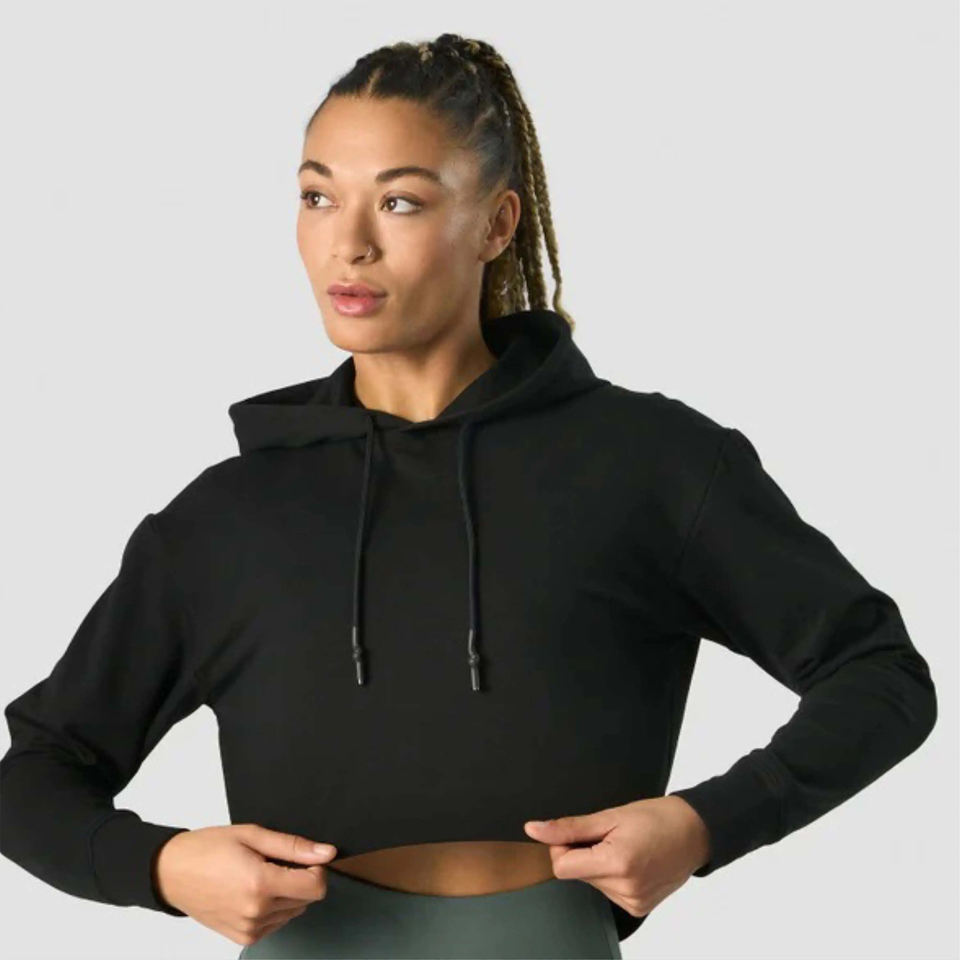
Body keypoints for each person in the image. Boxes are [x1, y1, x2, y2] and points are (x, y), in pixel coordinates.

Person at [0, 31, 938, 960]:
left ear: (496, 224)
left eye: (399, 201)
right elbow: (33, 777)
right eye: (318, 196)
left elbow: (879, 676)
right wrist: (163, 867)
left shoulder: (651, 465)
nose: (348, 244)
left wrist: (704, 825)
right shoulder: (225, 519)